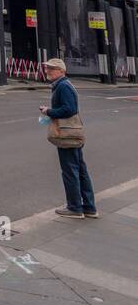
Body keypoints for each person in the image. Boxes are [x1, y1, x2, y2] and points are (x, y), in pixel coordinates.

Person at [40, 58, 97, 218]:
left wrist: (48, 111)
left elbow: (69, 109)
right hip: (73, 134)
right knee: (80, 170)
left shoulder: (63, 86)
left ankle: (74, 208)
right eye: (47, 68)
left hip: (67, 135)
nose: (48, 71)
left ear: (61, 71)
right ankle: (89, 207)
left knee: (70, 170)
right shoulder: (63, 85)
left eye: (52, 69)